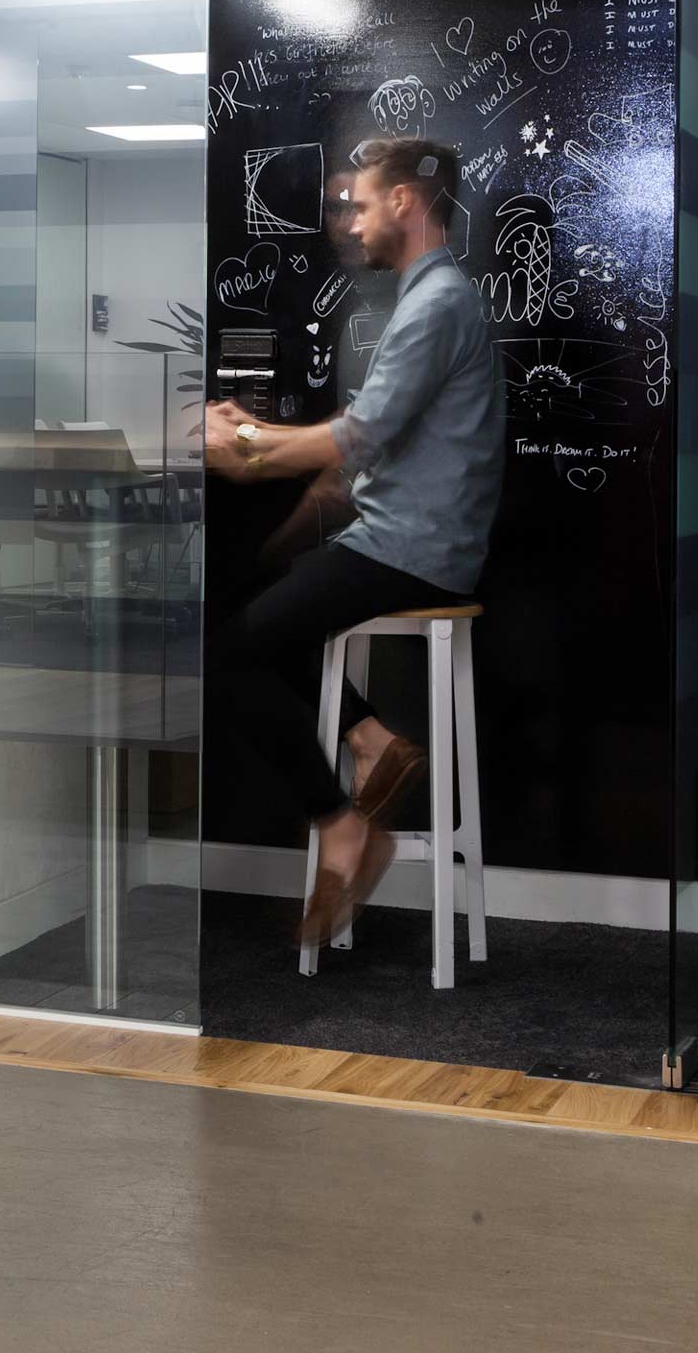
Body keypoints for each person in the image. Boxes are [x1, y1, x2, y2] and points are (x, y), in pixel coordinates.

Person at [204, 134, 506, 945]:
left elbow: (359, 437)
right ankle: (374, 741)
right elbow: (359, 463)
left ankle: (340, 824)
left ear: (405, 203)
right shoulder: (428, 300)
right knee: (262, 616)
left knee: (228, 656)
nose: (354, 221)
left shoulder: (437, 304)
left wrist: (238, 445)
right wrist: (285, 514)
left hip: (414, 550)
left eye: (364, 204)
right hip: (402, 539)